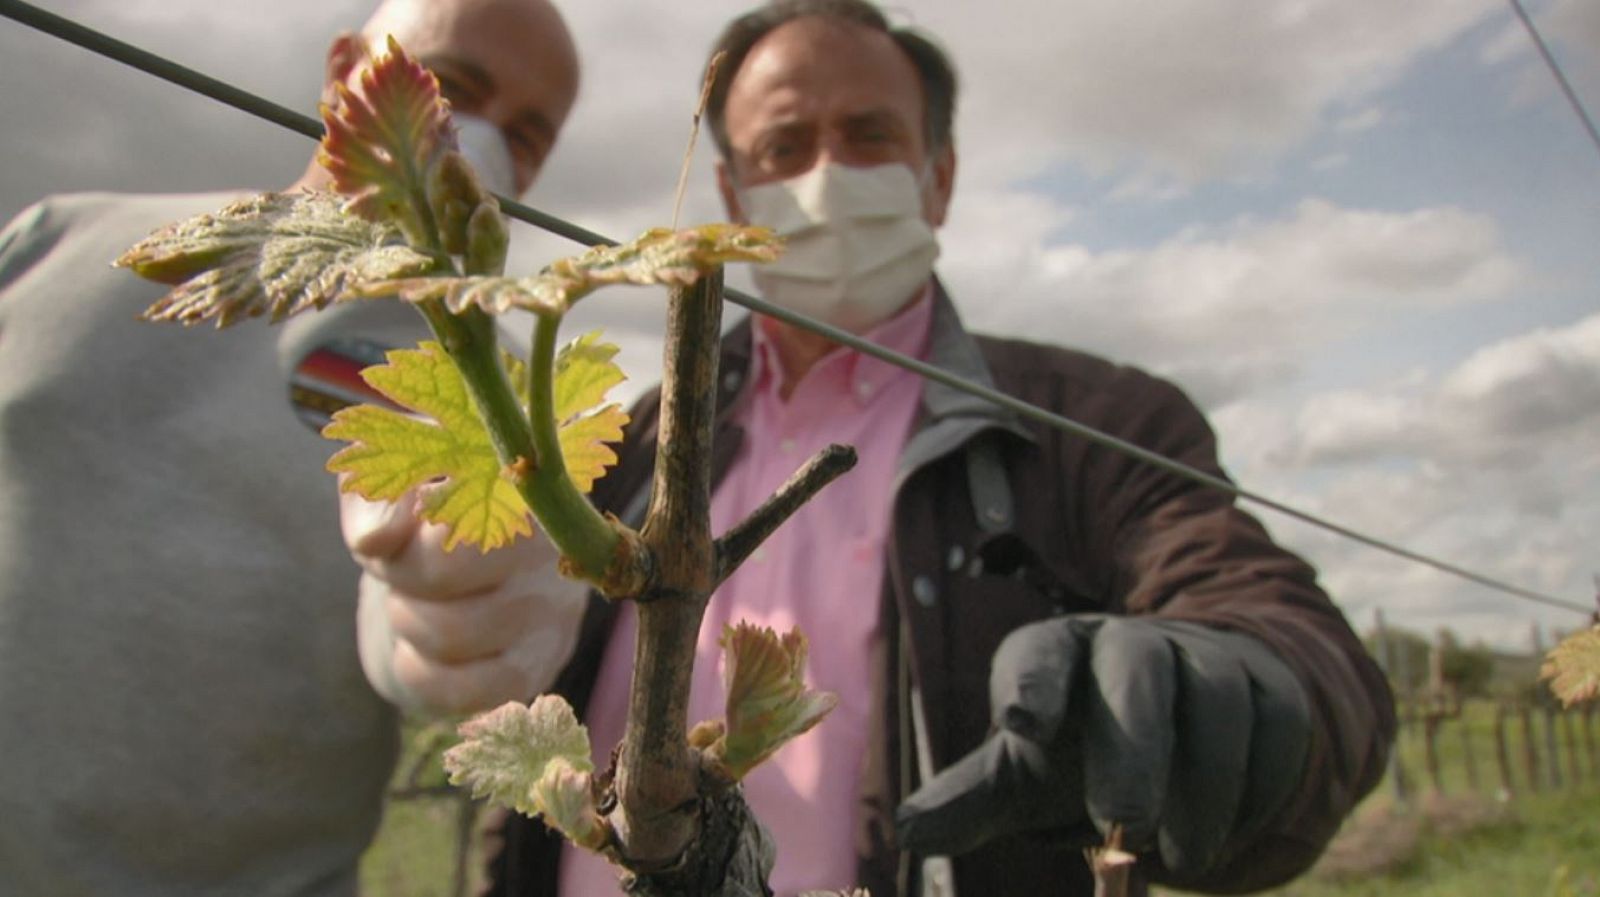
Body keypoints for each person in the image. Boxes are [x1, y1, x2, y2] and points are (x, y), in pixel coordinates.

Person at [346, 1, 1397, 895]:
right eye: (783, 147)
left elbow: (1273, 619)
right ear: (730, 198)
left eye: (870, 137)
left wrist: (1248, 686)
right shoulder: (624, 441)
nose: (825, 176)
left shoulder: (1096, 424)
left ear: (937, 179)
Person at [0, 1, 579, 894]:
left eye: (530, 136)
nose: (483, 138)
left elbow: (419, 605)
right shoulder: (58, 239)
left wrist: (459, 623)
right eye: (451, 86)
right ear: (344, 69)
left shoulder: (502, 389)